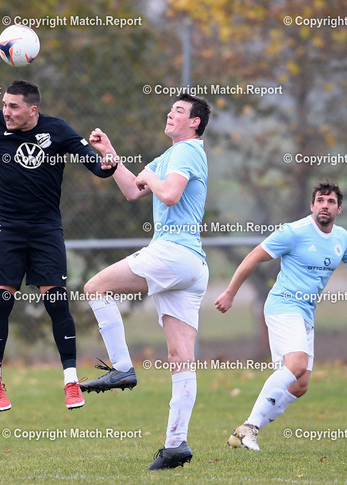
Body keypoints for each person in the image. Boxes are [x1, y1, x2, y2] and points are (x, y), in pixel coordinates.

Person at [0, 80, 116, 412]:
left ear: (32, 110)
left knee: (57, 302)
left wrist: (108, 161)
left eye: (13, 106)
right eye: (4, 104)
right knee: (0, 302)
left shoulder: (58, 130)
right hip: (6, 228)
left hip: (46, 229)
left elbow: (96, 166)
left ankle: (71, 382)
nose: (6, 111)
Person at [214, 180, 347, 450]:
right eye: (320, 200)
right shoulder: (293, 232)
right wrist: (230, 293)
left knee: (300, 385)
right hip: (283, 306)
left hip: (305, 313)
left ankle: (243, 431)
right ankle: (250, 428)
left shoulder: (341, 238)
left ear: (339, 209)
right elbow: (253, 256)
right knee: (296, 365)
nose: (325, 206)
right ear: (312, 205)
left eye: (331, 202)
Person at [81, 93, 211, 470]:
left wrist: (152, 177)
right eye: (170, 109)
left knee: (95, 288)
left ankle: (122, 367)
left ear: (195, 123)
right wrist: (111, 154)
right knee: (180, 357)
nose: (170, 114)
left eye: (179, 111)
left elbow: (168, 194)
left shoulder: (186, 151)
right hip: (191, 265)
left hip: (173, 252)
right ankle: (176, 445)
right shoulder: (171, 155)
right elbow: (132, 190)